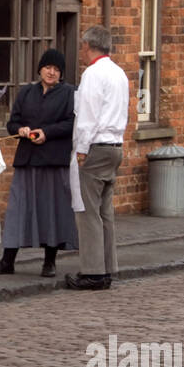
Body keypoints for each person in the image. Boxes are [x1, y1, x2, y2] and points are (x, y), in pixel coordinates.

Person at [0, 48, 76, 278]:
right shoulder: (26, 92)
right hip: (27, 159)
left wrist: (47, 132)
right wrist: (21, 129)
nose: (51, 72)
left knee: (51, 211)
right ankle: (8, 261)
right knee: (18, 209)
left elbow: (71, 124)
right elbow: (13, 122)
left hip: (54, 161)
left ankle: (49, 262)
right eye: (48, 68)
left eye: (56, 69)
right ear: (40, 69)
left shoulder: (70, 93)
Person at [65, 25, 130, 291]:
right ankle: (106, 268)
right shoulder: (120, 74)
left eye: (81, 47)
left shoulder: (93, 73)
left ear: (89, 46)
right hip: (115, 145)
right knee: (105, 211)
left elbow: (88, 115)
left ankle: (92, 271)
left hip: (96, 146)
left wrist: (81, 148)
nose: (80, 52)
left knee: (88, 211)